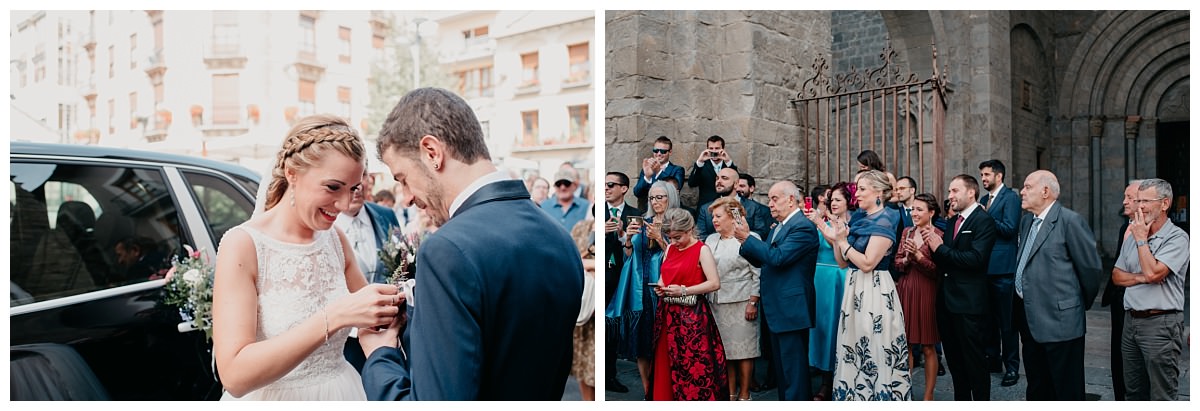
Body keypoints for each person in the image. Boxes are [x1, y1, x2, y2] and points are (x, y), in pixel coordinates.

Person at [359, 88, 583, 400]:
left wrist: (380, 356)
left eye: (403, 178)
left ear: (432, 152)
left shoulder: (447, 250)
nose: (408, 197)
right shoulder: (560, 238)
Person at [212, 114, 401, 400]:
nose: (344, 204)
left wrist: (396, 306)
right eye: (333, 187)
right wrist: (333, 317)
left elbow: (372, 320)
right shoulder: (243, 246)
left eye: (353, 189)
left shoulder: (335, 240)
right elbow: (235, 375)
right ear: (292, 173)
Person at [817, 170, 909, 400]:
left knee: (874, 345)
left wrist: (842, 242)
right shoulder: (859, 219)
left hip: (874, 289)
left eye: (862, 189)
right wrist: (838, 238)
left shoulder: (886, 218)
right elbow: (842, 263)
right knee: (854, 344)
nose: (856, 194)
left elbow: (868, 263)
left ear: (878, 192)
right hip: (854, 288)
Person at [1012, 170, 1102, 400]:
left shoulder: (1070, 221)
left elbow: (1091, 271)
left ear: (1045, 191)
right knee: (1038, 386)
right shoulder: (1026, 222)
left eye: (1027, 186)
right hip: (1030, 320)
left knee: (1066, 390)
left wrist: (1072, 305)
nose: (1022, 191)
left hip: (1061, 323)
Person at [734, 181, 818, 401]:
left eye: (774, 199)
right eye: (769, 199)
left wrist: (747, 238)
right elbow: (765, 261)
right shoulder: (779, 226)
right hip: (777, 307)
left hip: (791, 308)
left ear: (791, 200)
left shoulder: (802, 226)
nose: (769, 204)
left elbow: (778, 258)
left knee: (794, 371)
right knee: (782, 370)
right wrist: (745, 244)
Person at [1111, 178, 1189, 400]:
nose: (1140, 206)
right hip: (1131, 322)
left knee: (1161, 395)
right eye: (1139, 200)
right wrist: (1143, 277)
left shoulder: (1177, 238)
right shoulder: (1135, 234)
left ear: (1164, 204)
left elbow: (1155, 272)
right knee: (1134, 392)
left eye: (1146, 201)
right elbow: (1116, 276)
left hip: (1160, 325)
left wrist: (1142, 242)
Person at [927, 174, 997, 401]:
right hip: (947, 302)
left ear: (971, 192)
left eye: (954, 191)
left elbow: (976, 259)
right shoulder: (952, 222)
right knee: (955, 363)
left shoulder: (983, 221)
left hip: (969, 305)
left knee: (974, 362)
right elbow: (945, 260)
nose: (949, 196)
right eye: (949, 191)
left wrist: (939, 250)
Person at [606, 181, 679, 398]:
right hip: (640, 285)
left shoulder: (677, 221)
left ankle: (665, 388)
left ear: (670, 198)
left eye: (660, 197)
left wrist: (660, 239)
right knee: (642, 340)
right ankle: (648, 390)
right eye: (652, 198)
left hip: (663, 286)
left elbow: (680, 257)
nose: (655, 202)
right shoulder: (643, 221)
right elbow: (630, 256)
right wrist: (628, 239)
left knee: (663, 340)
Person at [648, 208, 727, 400]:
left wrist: (683, 290)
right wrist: (661, 287)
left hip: (693, 318)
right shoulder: (669, 248)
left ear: (690, 229)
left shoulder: (702, 249)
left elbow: (714, 283)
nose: (673, 242)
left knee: (693, 366)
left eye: (677, 237)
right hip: (667, 315)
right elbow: (663, 277)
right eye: (670, 237)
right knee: (666, 363)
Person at [335, 169, 402, 373]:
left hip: (386, 336)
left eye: (362, 175)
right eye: (347, 178)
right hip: (343, 342)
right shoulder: (321, 226)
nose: (356, 186)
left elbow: (401, 264)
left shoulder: (386, 215)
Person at [705, 197, 761, 401]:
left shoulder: (749, 237)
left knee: (744, 350)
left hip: (742, 301)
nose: (714, 220)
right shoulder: (710, 240)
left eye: (718, 216)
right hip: (715, 302)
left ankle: (745, 394)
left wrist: (753, 301)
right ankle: (729, 393)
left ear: (732, 217)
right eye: (713, 217)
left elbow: (758, 272)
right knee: (725, 351)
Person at [803, 181, 854, 400]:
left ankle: (837, 378)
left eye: (838, 200)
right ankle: (821, 373)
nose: (833, 203)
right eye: (831, 199)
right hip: (820, 277)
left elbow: (838, 243)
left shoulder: (854, 222)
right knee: (821, 326)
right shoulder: (822, 221)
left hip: (841, 275)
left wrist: (821, 224)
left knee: (838, 326)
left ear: (848, 202)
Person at [894, 193, 943, 400]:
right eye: (913, 209)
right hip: (906, 288)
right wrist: (905, 259)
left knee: (928, 345)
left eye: (919, 209)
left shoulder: (938, 234)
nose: (914, 213)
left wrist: (918, 256)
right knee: (906, 344)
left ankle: (928, 395)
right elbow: (896, 262)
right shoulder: (907, 231)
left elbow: (937, 271)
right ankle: (906, 391)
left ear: (931, 212)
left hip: (927, 290)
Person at [977, 159, 1021, 386]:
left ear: (999, 176)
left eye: (986, 175)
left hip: (1004, 269)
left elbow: (1010, 229)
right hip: (985, 269)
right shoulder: (984, 199)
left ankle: (1012, 367)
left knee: (1007, 322)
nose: (983, 179)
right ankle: (992, 360)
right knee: (989, 321)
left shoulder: (1011, 198)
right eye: (982, 175)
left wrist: (986, 216)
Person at [1100, 179, 1140, 400]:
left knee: (1132, 356)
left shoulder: (1153, 230)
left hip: (1136, 301)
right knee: (1117, 352)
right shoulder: (1125, 226)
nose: (1124, 202)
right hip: (1118, 299)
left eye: (1129, 198)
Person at [603, 171, 640, 393]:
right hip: (602, 275)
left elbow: (633, 250)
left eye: (610, 185)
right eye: (604, 185)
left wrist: (621, 235)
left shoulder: (635, 215)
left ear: (624, 188)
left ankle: (610, 375)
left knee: (614, 328)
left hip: (621, 277)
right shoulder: (597, 210)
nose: (606, 189)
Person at [697, 168, 770, 239]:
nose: (719, 181)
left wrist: (737, 240)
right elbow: (701, 236)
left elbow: (761, 232)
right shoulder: (705, 208)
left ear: (736, 184)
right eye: (717, 178)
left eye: (724, 178)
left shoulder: (753, 207)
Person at [570, 219, 597, 401]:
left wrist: (589, 265)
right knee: (583, 370)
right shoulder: (582, 228)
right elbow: (571, 260)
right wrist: (589, 252)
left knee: (595, 370)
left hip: (599, 306)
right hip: (583, 308)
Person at [633, 136, 685, 207]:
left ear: (670, 152)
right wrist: (647, 177)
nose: (659, 154)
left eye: (663, 151)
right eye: (656, 150)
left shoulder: (677, 170)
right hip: (650, 211)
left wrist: (659, 172)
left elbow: (674, 190)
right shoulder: (647, 169)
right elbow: (637, 193)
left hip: (671, 210)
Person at [688, 135, 737, 208]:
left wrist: (728, 161)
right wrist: (700, 162)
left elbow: (736, 182)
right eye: (711, 148)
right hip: (706, 207)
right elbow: (692, 183)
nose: (714, 151)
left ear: (723, 149)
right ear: (707, 149)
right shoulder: (701, 165)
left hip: (727, 205)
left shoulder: (728, 165)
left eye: (717, 148)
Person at [541, 167, 590, 231]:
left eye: (566, 183)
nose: (562, 187)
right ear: (554, 187)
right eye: (558, 184)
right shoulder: (544, 206)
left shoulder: (587, 206)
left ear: (574, 186)